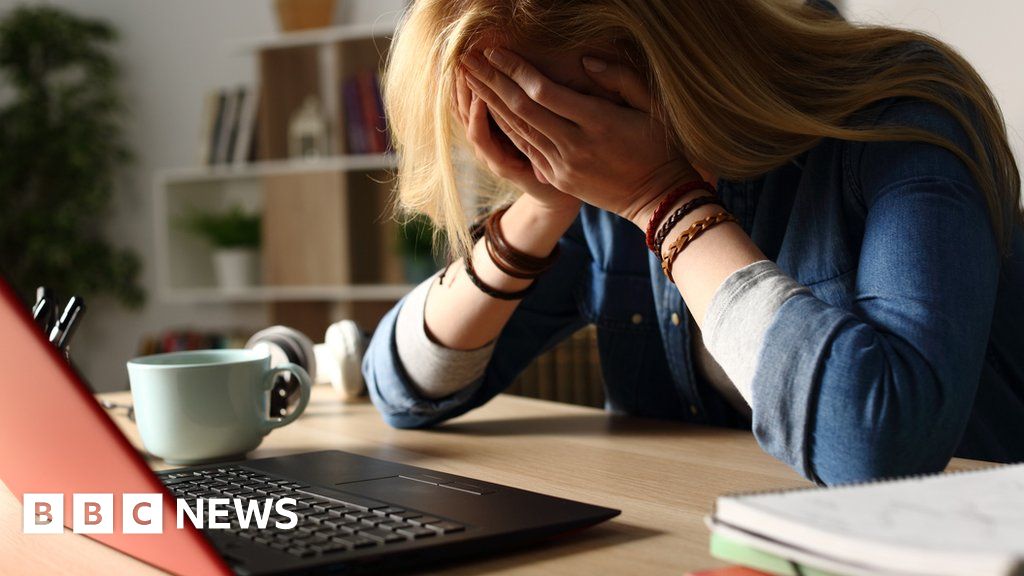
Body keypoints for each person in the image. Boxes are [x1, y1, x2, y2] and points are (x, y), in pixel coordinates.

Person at [362, 0, 1024, 485]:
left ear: (663, 60)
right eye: (511, 129)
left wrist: (661, 199)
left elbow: (882, 446)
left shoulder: (902, 111)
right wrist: (542, 203)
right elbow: (405, 388)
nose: (551, 147)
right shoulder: (592, 187)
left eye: (554, 118)